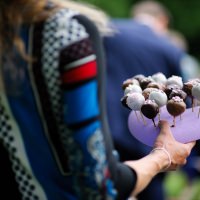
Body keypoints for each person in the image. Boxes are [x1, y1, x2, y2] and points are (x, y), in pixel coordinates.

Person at [0, 0, 195, 200]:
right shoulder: (67, 30)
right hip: (136, 144)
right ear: (163, 21)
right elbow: (101, 185)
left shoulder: (111, 29)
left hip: (104, 132)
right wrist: (164, 156)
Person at [104, 1, 187, 199]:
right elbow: (179, 100)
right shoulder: (169, 47)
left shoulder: (106, 29)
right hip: (147, 139)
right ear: (163, 21)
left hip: (104, 129)